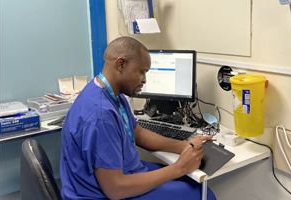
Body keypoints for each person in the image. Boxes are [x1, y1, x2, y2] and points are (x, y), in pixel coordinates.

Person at [60, 36, 217, 200]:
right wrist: (179, 167)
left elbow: (138, 133)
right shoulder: (101, 115)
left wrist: (183, 146)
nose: (145, 79)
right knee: (203, 194)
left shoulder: (108, 92)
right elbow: (115, 190)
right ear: (121, 64)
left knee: (190, 182)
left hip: (121, 174)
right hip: (100, 193)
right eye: (141, 72)